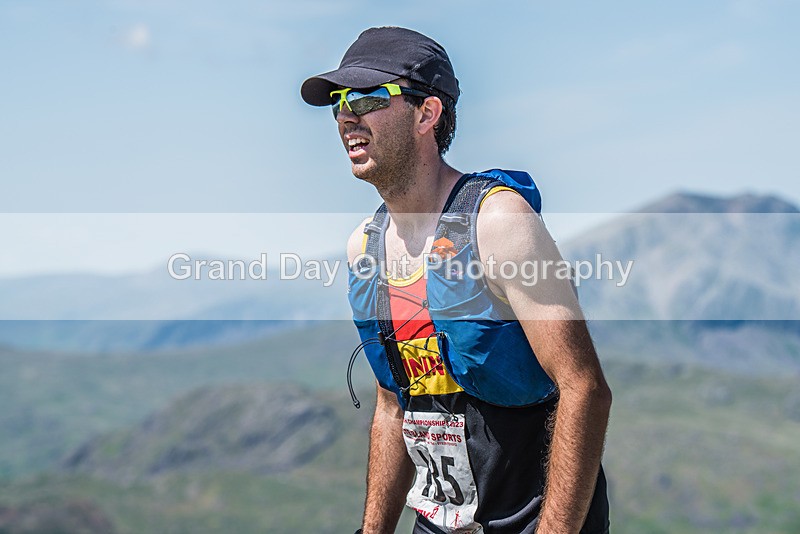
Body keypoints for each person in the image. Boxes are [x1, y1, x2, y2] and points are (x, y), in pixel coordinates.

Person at [301, 26, 611, 534]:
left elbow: (584, 388)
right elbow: (391, 404)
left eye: (368, 97)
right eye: (339, 101)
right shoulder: (365, 247)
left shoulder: (498, 223)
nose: (346, 116)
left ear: (427, 113)